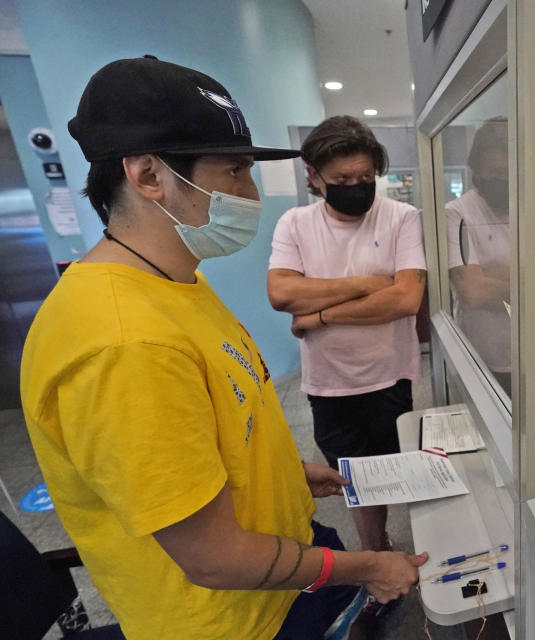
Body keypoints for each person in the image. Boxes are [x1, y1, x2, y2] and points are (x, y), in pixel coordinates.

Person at [19, 56, 427, 640]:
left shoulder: (178, 282)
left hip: (284, 575)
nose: (250, 192)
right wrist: (369, 567)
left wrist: (283, 473)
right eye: (234, 172)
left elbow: (219, 421)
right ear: (148, 175)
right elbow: (213, 558)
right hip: (232, 621)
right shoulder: (124, 343)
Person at [267, 116, 426, 554]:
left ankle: (391, 545)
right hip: (329, 383)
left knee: (392, 475)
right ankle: (376, 552)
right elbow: (281, 294)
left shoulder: (402, 218)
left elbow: (405, 300)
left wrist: (318, 316)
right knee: (353, 480)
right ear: (314, 177)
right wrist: (367, 283)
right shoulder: (295, 224)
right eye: (342, 179)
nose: (356, 186)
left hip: (388, 376)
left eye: (365, 177)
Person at [446, 117, 511, 392]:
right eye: (496, 172)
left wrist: (493, 274)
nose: (504, 180)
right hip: (484, 357)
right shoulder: (456, 213)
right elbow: (474, 293)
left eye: (511, 172)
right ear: (477, 169)